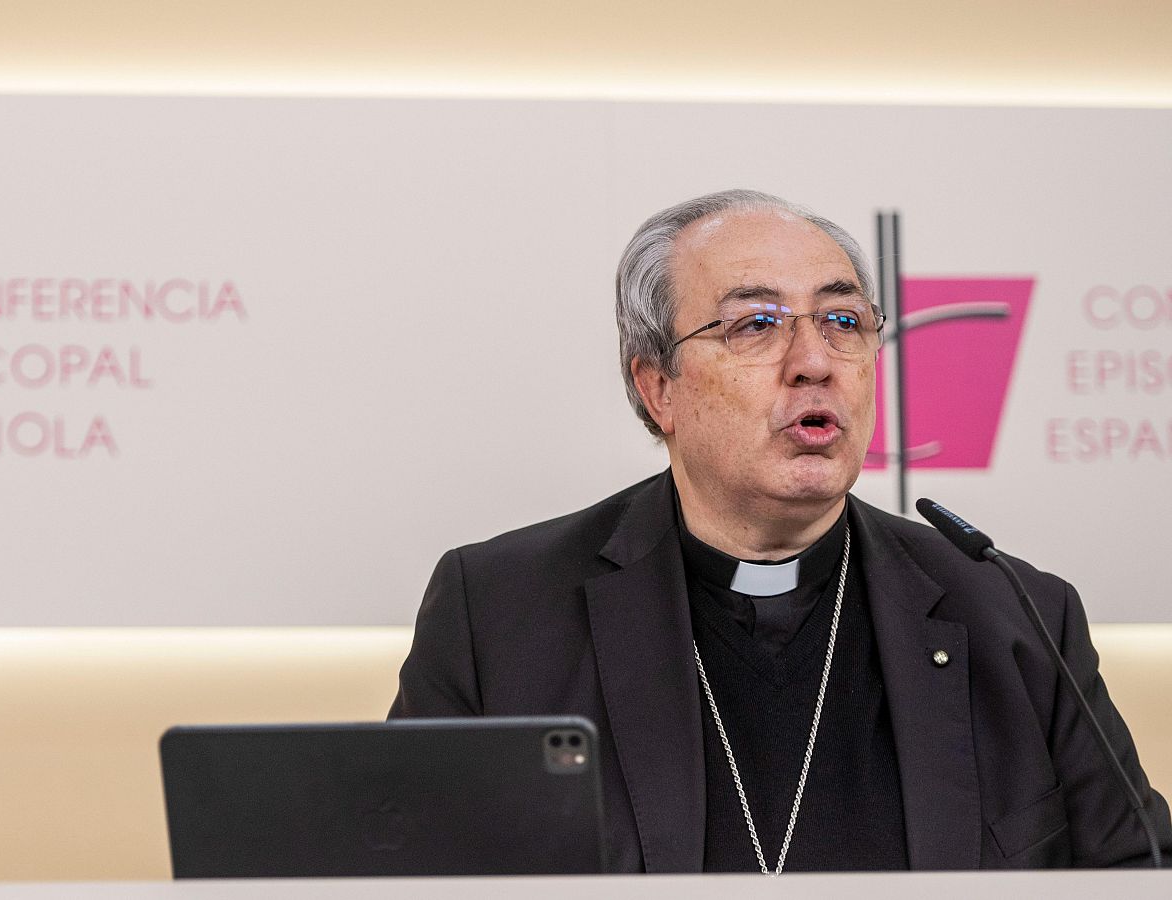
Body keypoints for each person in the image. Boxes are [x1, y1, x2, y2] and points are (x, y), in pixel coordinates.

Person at [389, 189, 1171, 872]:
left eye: (843, 321)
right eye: (755, 325)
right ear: (658, 387)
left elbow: (1141, 872)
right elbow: (396, 878)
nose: (814, 361)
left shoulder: (1014, 614)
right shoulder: (498, 615)